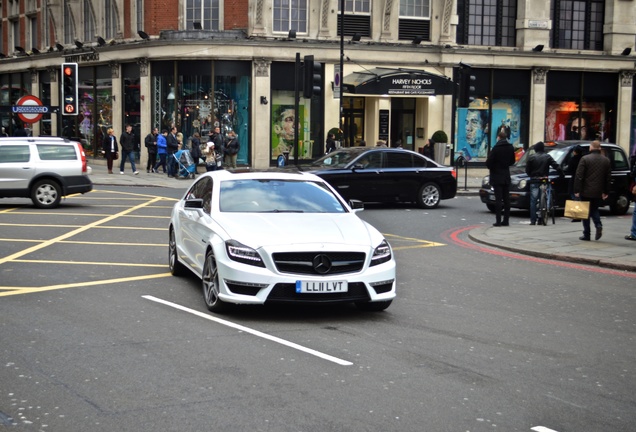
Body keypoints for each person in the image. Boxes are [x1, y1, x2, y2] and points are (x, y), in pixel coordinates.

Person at [574, 140, 611, 241]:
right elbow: (608, 178)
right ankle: (598, 225)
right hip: (598, 191)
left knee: (585, 212)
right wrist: (606, 191)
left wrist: (577, 189)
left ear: (591, 148)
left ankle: (587, 234)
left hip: (585, 190)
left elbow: (579, 176)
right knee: (594, 209)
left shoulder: (585, 159)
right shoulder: (606, 160)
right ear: (599, 148)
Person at [525, 141, 563, 225]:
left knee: (533, 201)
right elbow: (556, 166)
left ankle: (533, 220)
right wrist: (561, 174)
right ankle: (541, 217)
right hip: (544, 179)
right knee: (544, 196)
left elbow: (527, 170)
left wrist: (531, 175)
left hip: (534, 180)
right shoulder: (547, 157)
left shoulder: (531, 157)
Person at [486, 130, 516, 226]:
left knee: (498, 199)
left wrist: (493, 167)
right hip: (506, 175)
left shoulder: (495, 148)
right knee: (506, 199)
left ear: (498, 137)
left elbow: (488, 163)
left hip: (497, 176)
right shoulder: (510, 147)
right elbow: (512, 161)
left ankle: (498, 221)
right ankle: (506, 220)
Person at [565, 145, 584, 221]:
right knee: (580, 197)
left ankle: (576, 215)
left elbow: (569, 169)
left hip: (574, 179)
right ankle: (580, 214)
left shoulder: (572, 160)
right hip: (582, 180)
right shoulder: (583, 159)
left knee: (574, 196)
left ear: (575, 152)